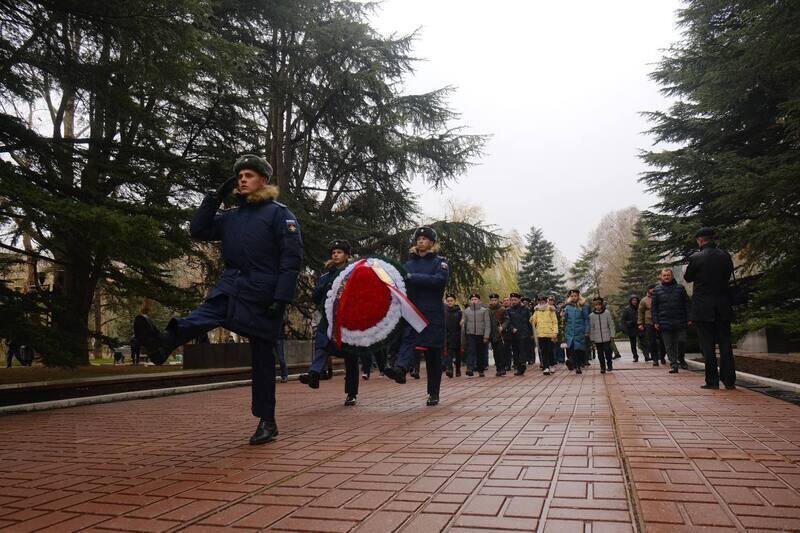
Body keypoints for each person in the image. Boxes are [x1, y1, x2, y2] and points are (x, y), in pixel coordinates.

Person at [133, 154, 302, 445]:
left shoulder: (279, 214)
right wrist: (213, 198)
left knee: (262, 359)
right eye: (239, 177)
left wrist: (282, 296)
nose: (242, 180)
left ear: (263, 180)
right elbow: (198, 230)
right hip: (232, 284)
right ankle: (164, 343)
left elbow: (291, 258)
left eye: (248, 175)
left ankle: (267, 421)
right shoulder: (231, 217)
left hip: (264, 292)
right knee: (206, 313)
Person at [384, 227, 449, 407]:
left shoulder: (440, 262)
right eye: (418, 238)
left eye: (424, 239)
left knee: (433, 354)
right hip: (412, 310)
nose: (420, 241)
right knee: (408, 340)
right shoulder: (408, 264)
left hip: (432, 313)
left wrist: (412, 278)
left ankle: (433, 393)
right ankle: (400, 369)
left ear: (432, 243)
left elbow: (439, 281)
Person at [299, 240, 361, 405]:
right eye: (333, 252)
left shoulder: (354, 273)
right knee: (322, 344)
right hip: (329, 318)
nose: (335, 255)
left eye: (339, 252)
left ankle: (351, 393)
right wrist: (323, 286)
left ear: (347, 255)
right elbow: (316, 297)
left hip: (348, 320)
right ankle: (314, 374)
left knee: (351, 357)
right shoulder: (326, 275)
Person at [684, 227, 736, 389]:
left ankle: (712, 381)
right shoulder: (725, 255)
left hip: (703, 307)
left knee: (707, 345)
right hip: (723, 305)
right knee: (725, 344)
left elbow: (688, 277)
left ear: (700, 240)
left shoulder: (696, 257)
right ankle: (729, 381)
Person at [652, 268, 691, 374]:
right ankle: (674, 364)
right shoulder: (657, 290)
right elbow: (654, 308)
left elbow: (687, 304)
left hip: (680, 320)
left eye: (668, 275)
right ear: (661, 277)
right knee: (668, 345)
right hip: (664, 322)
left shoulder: (680, 288)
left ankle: (681, 359)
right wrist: (656, 321)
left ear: (672, 276)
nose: (666, 277)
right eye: (664, 275)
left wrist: (689, 318)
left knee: (681, 341)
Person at [461, 293, 491, 377]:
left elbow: (487, 324)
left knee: (480, 352)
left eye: (475, 299)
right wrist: (462, 324)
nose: (474, 301)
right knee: (471, 351)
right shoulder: (466, 311)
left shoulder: (484, 310)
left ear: (479, 301)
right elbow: (464, 322)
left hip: (481, 334)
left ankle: (481, 369)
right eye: (472, 299)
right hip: (470, 334)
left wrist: (486, 336)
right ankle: (469, 368)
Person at [562, 289, 590, 374]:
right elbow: (565, 319)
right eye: (572, 296)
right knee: (571, 349)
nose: (574, 297)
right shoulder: (568, 307)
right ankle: (573, 363)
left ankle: (578, 366)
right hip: (570, 331)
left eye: (575, 296)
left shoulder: (583, 306)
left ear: (578, 296)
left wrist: (587, 330)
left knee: (579, 350)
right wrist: (563, 313)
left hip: (580, 331)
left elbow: (586, 319)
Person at [639, 285, 666, 366]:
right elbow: (640, 312)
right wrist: (640, 323)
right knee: (652, 342)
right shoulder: (644, 300)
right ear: (648, 290)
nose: (653, 291)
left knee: (663, 341)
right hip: (649, 323)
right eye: (651, 290)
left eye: (654, 290)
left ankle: (662, 356)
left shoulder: (660, 298)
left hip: (660, 321)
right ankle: (655, 359)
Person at [589, 297, 616, 374]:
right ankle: (602, 367)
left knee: (608, 352)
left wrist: (612, 335)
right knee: (600, 354)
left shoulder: (607, 313)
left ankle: (609, 365)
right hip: (597, 339)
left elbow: (611, 324)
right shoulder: (591, 315)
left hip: (606, 337)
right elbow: (591, 327)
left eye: (599, 305)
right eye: (596, 305)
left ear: (601, 305)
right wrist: (592, 338)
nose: (598, 306)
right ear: (594, 306)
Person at [506, 293, 531, 375]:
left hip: (524, 333)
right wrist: (512, 328)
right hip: (514, 334)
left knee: (522, 350)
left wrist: (530, 333)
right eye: (512, 300)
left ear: (519, 300)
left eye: (515, 300)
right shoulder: (509, 310)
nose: (514, 301)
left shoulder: (525, 309)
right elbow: (508, 322)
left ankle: (522, 365)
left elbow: (529, 321)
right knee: (515, 351)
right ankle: (518, 367)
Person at [533, 295, 558, 375]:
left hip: (550, 333)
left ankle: (552, 364)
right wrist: (532, 319)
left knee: (550, 350)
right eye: (540, 301)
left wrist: (555, 332)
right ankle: (546, 367)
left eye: (543, 301)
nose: (542, 303)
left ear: (546, 301)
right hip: (540, 334)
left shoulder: (551, 309)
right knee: (543, 351)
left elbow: (555, 322)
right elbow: (534, 320)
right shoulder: (537, 310)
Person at [488, 293, 509, 376]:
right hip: (492, 334)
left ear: (498, 300)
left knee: (501, 352)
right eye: (492, 300)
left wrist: (502, 327)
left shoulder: (502, 309)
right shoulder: (488, 310)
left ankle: (502, 368)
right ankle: (498, 369)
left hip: (501, 335)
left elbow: (507, 320)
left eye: (495, 300)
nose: (494, 302)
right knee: (495, 352)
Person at [444, 293, 463, 378]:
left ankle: (458, 369)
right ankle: (449, 369)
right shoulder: (444, 312)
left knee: (458, 354)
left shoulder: (459, 312)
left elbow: (463, 322)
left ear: (454, 301)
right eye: (448, 301)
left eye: (451, 301)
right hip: (448, 336)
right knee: (449, 353)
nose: (450, 302)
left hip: (457, 335)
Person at [621, 295, 642, 362]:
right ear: (631, 301)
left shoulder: (640, 308)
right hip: (631, 328)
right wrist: (626, 327)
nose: (634, 302)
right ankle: (635, 356)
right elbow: (623, 320)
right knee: (633, 344)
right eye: (633, 300)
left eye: (635, 300)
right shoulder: (627, 309)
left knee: (643, 342)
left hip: (639, 327)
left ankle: (646, 355)